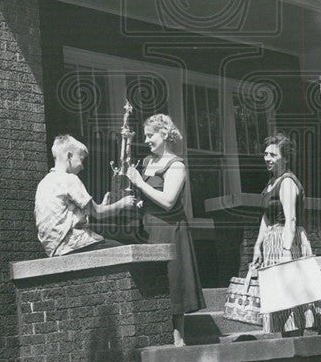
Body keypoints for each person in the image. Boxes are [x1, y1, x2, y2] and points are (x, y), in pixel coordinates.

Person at [126, 114, 204, 346]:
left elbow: (169, 200)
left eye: (150, 135)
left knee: (173, 280)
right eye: (145, 136)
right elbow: (150, 197)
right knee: (154, 281)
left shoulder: (176, 165)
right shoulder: (146, 162)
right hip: (148, 228)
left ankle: (178, 339)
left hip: (170, 229)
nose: (147, 140)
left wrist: (140, 183)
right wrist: (139, 200)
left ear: (164, 134)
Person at [244, 133, 321, 334]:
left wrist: (285, 252)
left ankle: (296, 345)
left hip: (285, 241)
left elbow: (291, 219)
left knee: (292, 299)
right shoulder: (271, 183)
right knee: (280, 300)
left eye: (273, 155)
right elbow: (267, 217)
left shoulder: (287, 182)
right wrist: (257, 247)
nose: (267, 159)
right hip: (271, 242)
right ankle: (287, 341)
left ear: (286, 158)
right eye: (266, 154)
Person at [35, 134, 135, 256]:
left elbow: (69, 214)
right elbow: (98, 213)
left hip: (54, 247)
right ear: (69, 156)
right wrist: (122, 203)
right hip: (74, 242)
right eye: (81, 160)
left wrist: (102, 206)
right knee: (127, 253)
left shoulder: (45, 182)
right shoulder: (69, 179)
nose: (82, 167)